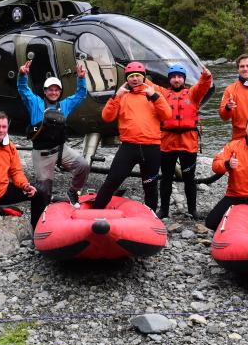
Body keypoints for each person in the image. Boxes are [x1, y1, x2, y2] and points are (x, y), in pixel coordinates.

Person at [17, 59, 91, 226]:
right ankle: (40, 223)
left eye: (56, 89)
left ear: (60, 92)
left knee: (83, 166)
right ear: (45, 91)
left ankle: (73, 192)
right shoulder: (35, 102)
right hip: (41, 154)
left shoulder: (65, 105)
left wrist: (81, 78)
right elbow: (22, 89)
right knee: (44, 192)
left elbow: (80, 95)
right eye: (50, 89)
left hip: (60, 149)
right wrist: (22, 75)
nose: (53, 92)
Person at [92, 61, 172, 211]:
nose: (135, 79)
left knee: (150, 185)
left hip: (152, 148)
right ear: (127, 78)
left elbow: (167, 115)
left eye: (138, 76)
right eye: (131, 76)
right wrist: (116, 96)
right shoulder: (122, 96)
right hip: (129, 147)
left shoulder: (154, 94)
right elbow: (107, 117)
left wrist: (154, 96)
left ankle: (151, 217)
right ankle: (96, 210)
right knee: (112, 180)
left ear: (143, 77)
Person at [156, 63, 213, 219]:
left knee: (189, 178)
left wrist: (206, 76)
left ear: (183, 79)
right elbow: (149, 86)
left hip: (188, 143)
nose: (176, 79)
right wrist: (136, 74)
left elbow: (203, 85)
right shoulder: (163, 94)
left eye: (179, 77)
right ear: (169, 79)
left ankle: (192, 210)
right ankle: (164, 209)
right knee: (166, 177)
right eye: (173, 77)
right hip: (168, 141)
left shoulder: (193, 94)